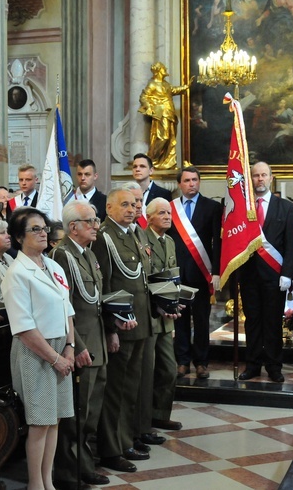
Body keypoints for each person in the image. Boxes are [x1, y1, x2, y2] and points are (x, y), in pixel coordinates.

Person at [1, 207, 75, 490]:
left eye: (44, 227)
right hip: (35, 351)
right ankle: (35, 484)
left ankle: (48, 481)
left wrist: (69, 347)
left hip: (59, 347)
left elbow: (66, 309)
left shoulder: (52, 265)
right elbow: (23, 327)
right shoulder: (17, 273)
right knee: (39, 421)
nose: (43, 232)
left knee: (54, 419)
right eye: (35, 229)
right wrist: (55, 357)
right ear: (19, 237)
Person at [50, 200, 109, 489]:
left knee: (91, 413)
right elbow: (66, 307)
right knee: (77, 414)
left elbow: (94, 300)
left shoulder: (86, 254)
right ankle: (68, 470)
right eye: (91, 221)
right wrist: (79, 345)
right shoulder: (62, 256)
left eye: (96, 221)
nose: (96, 226)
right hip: (81, 344)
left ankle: (84, 464)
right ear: (73, 227)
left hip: (96, 341)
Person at [92, 188, 151, 473]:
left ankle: (126, 438)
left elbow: (139, 279)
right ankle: (110, 448)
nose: (131, 209)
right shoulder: (104, 236)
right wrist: (109, 327)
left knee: (130, 388)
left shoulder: (133, 233)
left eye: (134, 204)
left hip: (138, 322)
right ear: (109, 208)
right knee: (115, 390)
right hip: (121, 324)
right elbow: (103, 286)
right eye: (124, 205)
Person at [238, 162, 293, 383]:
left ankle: (274, 366)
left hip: (275, 275)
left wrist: (287, 273)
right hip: (249, 274)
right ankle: (252, 364)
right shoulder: (242, 208)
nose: (260, 179)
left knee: (273, 322)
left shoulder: (285, 207)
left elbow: (291, 243)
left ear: (271, 177)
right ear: (250, 179)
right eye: (255, 175)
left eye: (264, 175)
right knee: (252, 321)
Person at [168, 166, 222, 380]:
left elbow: (217, 242)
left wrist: (216, 271)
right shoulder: (171, 208)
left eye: (195, 180)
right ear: (180, 184)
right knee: (179, 319)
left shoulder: (212, 207)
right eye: (187, 180)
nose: (192, 184)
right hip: (178, 273)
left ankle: (201, 362)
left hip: (202, 272)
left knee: (201, 320)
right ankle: (182, 361)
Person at [139, 197, 183, 442]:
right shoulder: (142, 240)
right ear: (150, 217)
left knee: (169, 369)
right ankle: (144, 422)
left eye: (169, 213)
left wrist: (177, 299)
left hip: (167, 317)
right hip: (150, 315)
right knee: (147, 372)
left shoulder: (170, 241)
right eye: (162, 213)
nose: (168, 216)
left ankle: (160, 413)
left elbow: (171, 274)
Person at [138, 62, 190, 170]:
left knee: (171, 139)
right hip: (161, 114)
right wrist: (149, 107)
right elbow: (144, 96)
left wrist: (186, 86)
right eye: (163, 68)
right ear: (158, 70)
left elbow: (174, 90)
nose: (165, 69)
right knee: (163, 137)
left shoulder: (166, 84)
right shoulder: (152, 84)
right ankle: (152, 159)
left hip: (170, 113)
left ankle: (166, 161)